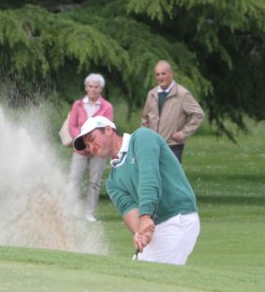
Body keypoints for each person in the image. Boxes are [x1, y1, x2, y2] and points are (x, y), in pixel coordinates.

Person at [73, 116, 200, 265]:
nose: (91, 147)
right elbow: (129, 210)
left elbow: (149, 177)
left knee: (154, 280)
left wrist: (145, 216)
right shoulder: (113, 182)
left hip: (177, 218)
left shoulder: (142, 137)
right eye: (88, 145)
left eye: (92, 139)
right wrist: (141, 233)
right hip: (157, 228)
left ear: (108, 130)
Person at [65, 73, 113, 222]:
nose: (93, 89)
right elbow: (72, 125)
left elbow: (106, 128)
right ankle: (68, 211)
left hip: (98, 150)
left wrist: (93, 142)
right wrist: (80, 139)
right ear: (86, 88)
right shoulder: (78, 105)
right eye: (90, 86)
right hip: (80, 149)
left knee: (94, 182)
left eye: (96, 87)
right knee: (74, 180)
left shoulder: (107, 107)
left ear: (101, 89)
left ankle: (89, 213)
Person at [141, 60, 204, 163]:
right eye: (157, 74)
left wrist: (183, 133)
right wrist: (144, 137)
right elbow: (145, 118)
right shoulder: (152, 94)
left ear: (171, 74)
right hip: (153, 145)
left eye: (163, 74)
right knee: (154, 176)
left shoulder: (182, 94)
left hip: (173, 145)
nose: (160, 77)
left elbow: (198, 114)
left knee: (171, 178)